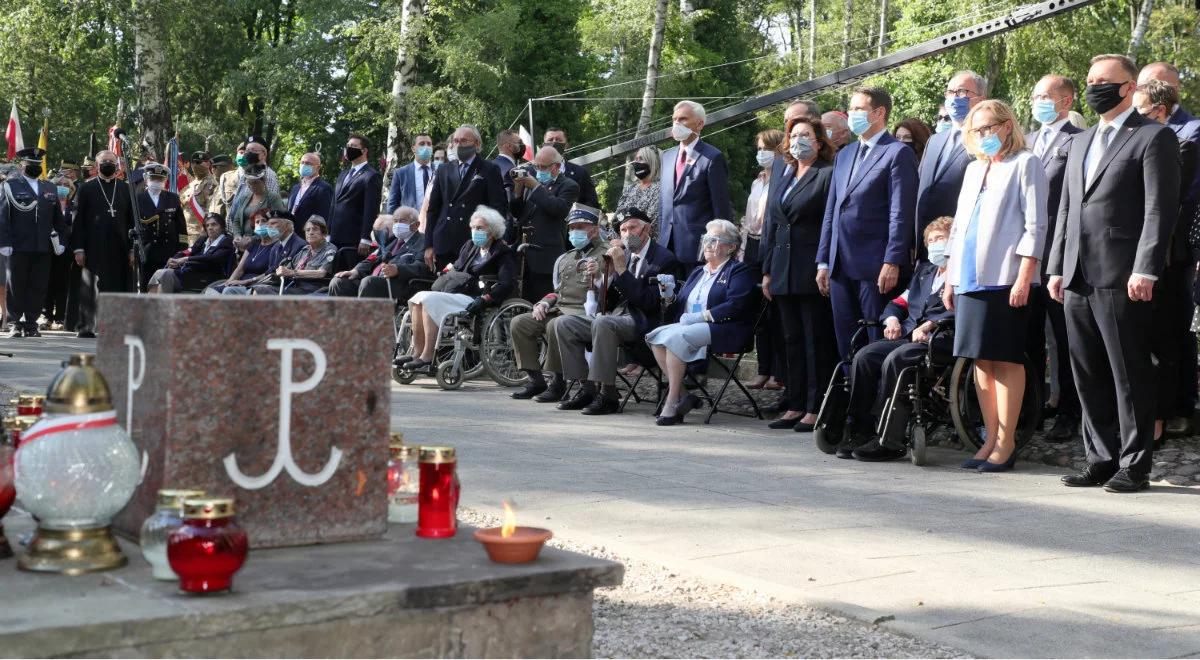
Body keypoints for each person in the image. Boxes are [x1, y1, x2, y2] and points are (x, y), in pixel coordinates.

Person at [1049, 54, 1180, 493]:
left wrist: (1146, 267)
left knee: (1128, 373)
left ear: (1127, 87)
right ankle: (1100, 458)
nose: (1093, 87)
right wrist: (1055, 268)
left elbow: (1158, 208)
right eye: (1089, 80)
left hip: (1122, 274)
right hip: (1077, 275)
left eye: (1102, 81)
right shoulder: (1082, 140)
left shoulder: (1153, 137)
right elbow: (1068, 208)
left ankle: (1134, 463)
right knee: (1087, 372)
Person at [939, 100, 1048, 472]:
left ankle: (1007, 440)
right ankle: (988, 437)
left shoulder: (1025, 163)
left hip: (1005, 277)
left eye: (990, 127)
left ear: (1006, 126)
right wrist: (951, 277)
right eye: (978, 130)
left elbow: (1036, 225)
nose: (985, 135)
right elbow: (959, 228)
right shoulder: (973, 169)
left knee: (1005, 358)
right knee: (980, 360)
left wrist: (1024, 275)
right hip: (969, 276)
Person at [817, 86, 918, 359]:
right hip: (840, 264)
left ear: (879, 113)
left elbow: (901, 212)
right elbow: (832, 211)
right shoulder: (844, 154)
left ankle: (878, 399)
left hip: (875, 265)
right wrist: (824, 260)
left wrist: (892, 260)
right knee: (845, 339)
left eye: (859, 109)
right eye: (850, 109)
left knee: (874, 340)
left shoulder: (897, 153)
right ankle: (853, 396)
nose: (852, 114)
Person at [844, 217, 955, 459]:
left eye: (941, 239)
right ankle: (860, 428)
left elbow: (961, 308)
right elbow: (898, 302)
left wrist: (929, 324)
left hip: (938, 338)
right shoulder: (925, 272)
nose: (935, 244)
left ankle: (889, 438)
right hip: (908, 335)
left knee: (896, 359)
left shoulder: (960, 273)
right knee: (865, 355)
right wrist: (891, 319)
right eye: (931, 240)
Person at [553, 208, 682, 415]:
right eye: (622, 230)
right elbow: (608, 300)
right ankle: (585, 389)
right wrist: (607, 276)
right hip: (615, 316)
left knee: (603, 323)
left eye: (632, 227)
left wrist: (621, 270)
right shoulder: (626, 255)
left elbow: (649, 302)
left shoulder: (664, 258)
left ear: (646, 229)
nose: (627, 234)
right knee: (564, 323)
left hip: (643, 320)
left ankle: (608, 393)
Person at [1133, 79, 1199, 443]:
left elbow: (1166, 201)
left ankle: (1167, 414)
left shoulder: (1185, 142)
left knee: (1166, 338)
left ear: (1159, 110)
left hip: (1169, 257)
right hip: (1134, 255)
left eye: (1139, 111)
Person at [761, 116, 837, 431]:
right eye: (793, 135)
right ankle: (794, 403)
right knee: (790, 339)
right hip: (781, 268)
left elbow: (830, 223)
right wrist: (767, 270)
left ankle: (815, 407)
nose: (797, 140)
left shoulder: (827, 174)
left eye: (805, 135)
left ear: (819, 142)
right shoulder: (786, 173)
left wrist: (825, 264)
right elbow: (773, 225)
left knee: (813, 339)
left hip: (810, 267)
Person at [646, 219, 755, 425]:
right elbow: (681, 306)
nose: (707, 244)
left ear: (731, 247)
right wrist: (668, 295)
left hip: (724, 328)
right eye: (706, 239)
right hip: (691, 327)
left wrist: (702, 316)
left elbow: (736, 305)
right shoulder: (698, 271)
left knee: (674, 337)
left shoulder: (738, 270)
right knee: (655, 337)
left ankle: (671, 402)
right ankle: (684, 395)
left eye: (714, 240)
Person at [1025, 73, 1084, 442]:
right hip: (1025, 258)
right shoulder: (1027, 141)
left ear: (1066, 101)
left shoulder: (1079, 140)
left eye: (1046, 96)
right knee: (1028, 337)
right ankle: (1030, 408)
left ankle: (1070, 412)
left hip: (1060, 257)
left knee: (1065, 339)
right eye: (1035, 96)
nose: (1038, 102)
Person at [509, 204, 610, 402]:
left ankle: (558, 383)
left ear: (595, 230)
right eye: (572, 228)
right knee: (520, 323)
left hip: (587, 313)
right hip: (561, 309)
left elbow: (610, 289)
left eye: (580, 227)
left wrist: (598, 273)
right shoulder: (566, 258)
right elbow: (557, 292)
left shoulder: (606, 254)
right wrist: (544, 303)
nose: (574, 232)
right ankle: (536, 380)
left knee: (556, 324)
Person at [397, 206, 516, 371]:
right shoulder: (469, 246)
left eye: (480, 228)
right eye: (473, 228)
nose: (475, 231)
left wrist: (486, 298)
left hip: (476, 296)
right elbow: (457, 269)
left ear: (493, 230)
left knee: (427, 299)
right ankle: (417, 352)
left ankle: (427, 355)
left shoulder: (503, 252)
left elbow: (507, 283)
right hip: (456, 292)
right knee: (416, 299)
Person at [0, 148, 67, 338]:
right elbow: (2, 216)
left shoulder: (49, 188)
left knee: (38, 286)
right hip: (18, 245)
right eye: (31, 165)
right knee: (16, 285)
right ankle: (14, 322)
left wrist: (61, 241)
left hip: (42, 246)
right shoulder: (10, 186)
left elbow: (58, 220)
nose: (35, 168)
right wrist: (4, 242)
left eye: (38, 165)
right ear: (22, 165)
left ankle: (31, 323)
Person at [659, 100, 733, 268]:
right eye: (674, 119)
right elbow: (664, 202)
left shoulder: (712, 157)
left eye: (683, 119)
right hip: (666, 245)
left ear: (700, 124)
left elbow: (721, 208)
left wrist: (721, 246)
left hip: (698, 248)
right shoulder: (667, 156)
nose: (677, 123)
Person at [424, 125, 508, 271]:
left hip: (471, 242)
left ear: (476, 143)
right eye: (455, 141)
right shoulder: (444, 169)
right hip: (443, 242)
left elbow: (498, 208)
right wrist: (429, 245)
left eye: (463, 141)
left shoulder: (488, 169)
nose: (458, 145)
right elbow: (433, 210)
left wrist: (491, 240)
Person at [916, 71, 987, 242]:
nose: (954, 98)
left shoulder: (985, 141)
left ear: (981, 99)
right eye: (950, 92)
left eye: (962, 92)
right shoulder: (934, 140)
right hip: (925, 241)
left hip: (960, 239)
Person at [71, 149, 135, 337]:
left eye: (111, 161)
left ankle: (115, 326)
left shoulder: (125, 188)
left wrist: (132, 249)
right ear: (97, 165)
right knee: (90, 287)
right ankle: (86, 326)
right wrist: (78, 248)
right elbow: (79, 220)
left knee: (117, 286)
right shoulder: (86, 188)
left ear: (117, 165)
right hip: (93, 245)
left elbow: (132, 220)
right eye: (104, 161)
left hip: (120, 246)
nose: (108, 163)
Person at [742, 128, 786, 391]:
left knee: (775, 312)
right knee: (758, 310)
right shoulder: (757, 181)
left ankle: (778, 372)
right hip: (752, 245)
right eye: (758, 149)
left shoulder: (782, 180)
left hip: (772, 244)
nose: (761, 154)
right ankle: (763, 368)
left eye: (765, 149)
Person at [508, 145, 580, 302]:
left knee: (544, 305)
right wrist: (518, 189)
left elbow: (558, 209)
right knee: (522, 303)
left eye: (543, 166)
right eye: (536, 165)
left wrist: (535, 186)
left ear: (557, 166)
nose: (539, 170)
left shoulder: (569, 185)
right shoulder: (531, 183)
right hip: (524, 256)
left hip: (546, 257)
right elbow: (516, 213)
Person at [329, 207, 428, 300]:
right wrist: (356, 270)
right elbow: (372, 259)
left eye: (402, 221)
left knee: (369, 282)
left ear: (416, 225)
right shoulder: (391, 241)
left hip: (400, 285)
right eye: (395, 221)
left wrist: (398, 270)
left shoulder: (423, 242)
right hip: (374, 281)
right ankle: (341, 318)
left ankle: (363, 318)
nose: (398, 224)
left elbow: (422, 267)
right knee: (339, 281)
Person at [217, 210, 308, 295]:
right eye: (268, 224)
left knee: (231, 292)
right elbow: (269, 272)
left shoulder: (299, 245)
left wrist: (246, 282)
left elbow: (293, 277)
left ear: (288, 226)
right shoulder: (276, 247)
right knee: (227, 290)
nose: (269, 227)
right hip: (267, 285)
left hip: (285, 289)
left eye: (273, 223)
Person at [329, 134, 384, 264]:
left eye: (353, 146)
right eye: (348, 146)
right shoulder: (343, 174)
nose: (349, 149)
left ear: (364, 151)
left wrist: (365, 238)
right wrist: (328, 233)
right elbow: (333, 205)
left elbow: (371, 209)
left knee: (347, 279)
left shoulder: (371, 176)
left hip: (354, 240)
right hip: (334, 237)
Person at [133, 163, 188, 291]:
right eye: (153, 179)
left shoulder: (173, 198)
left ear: (165, 180)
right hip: (147, 252)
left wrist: (182, 251)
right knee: (147, 287)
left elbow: (181, 228)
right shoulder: (137, 199)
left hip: (170, 252)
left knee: (167, 288)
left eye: (160, 179)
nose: (157, 182)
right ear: (146, 179)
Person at [148, 213, 234, 293]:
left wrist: (186, 259)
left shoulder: (226, 241)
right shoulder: (203, 240)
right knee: (161, 273)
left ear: (222, 227)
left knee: (165, 274)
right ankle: (153, 304)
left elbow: (212, 258)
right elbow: (189, 251)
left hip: (210, 277)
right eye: (207, 225)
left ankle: (160, 305)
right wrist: (174, 259)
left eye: (214, 224)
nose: (210, 228)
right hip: (192, 274)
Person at [261, 217, 338, 295]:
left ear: (324, 233)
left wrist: (291, 272)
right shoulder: (305, 250)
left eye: (315, 229)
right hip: (295, 287)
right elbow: (289, 267)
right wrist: (282, 270)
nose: (310, 232)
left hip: (313, 290)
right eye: (308, 230)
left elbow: (321, 273)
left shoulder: (330, 249)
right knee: (260, 289)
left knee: (262, 291)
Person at [205, 210, 277, 294]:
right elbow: (240, 269)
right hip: (240, 283)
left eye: (264, 220)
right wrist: (229, 282)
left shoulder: (276, 246)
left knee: (228, 291)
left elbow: (270, 273)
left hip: (258, 285)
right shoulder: (253, 245)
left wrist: (247, 281)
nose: (260, 224)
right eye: (257, 222)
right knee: (211, 291)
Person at [41, 175, 75, 330]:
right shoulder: (49, 203)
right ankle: (46, 316)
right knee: (47, 283)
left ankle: (60, 318)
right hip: (48, 248)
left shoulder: (74, 206)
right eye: (59, 184)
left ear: (71, 188)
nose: (62, 186)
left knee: (63, 284)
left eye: (65, 184)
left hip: (66, 250)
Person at [227, 164, 285, 249]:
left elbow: (279, 224)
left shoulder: (273, 198)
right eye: (249, 183)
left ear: (264, 181)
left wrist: (252, 239)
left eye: (255, 183)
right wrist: (237, 236)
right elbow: (236, 221)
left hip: (264, 244)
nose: (251, 186)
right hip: (242, 245)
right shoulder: (244, 198)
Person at [542, 128, 598, 208]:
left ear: (566, 145)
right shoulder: (532, 172)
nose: (554, 142)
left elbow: (592, 202)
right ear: (543, 145)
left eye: (558, 140)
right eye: (550, 140)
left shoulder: (581, 172)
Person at [616, 146, 662, 237]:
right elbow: (617, 218)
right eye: (636, 159)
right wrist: (614, 241)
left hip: (646, 246)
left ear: (652, 163)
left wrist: (624, 242)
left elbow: (650, 226)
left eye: (641, 159)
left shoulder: (660, 189)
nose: (636, 163)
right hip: (622, 244)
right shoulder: (630, 189)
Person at [388, 134, 435, 214]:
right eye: (422, 144)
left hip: (436, 223)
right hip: (410, 223)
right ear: (413, 149)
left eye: (429, 144)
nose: (426, 147)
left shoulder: (441, 170)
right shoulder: (401, 173)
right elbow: (393, 204)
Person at [287, 152, 334, 227]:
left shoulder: (324, 188)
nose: (304, 165)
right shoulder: (295, 187)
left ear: (318, 167)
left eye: (308, 163)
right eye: (302, 162)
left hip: (309, 234)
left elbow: (324, 216)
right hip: (292, 232)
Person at [180, 151, 217, 241]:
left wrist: (206, 233)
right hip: (184, 234)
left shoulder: (213, 184)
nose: (196, 165)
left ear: (208, 163)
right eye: (194, 162)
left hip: (200, 234)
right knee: (182, 253)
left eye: (199, 162)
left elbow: (211, 211)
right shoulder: (188, 186)